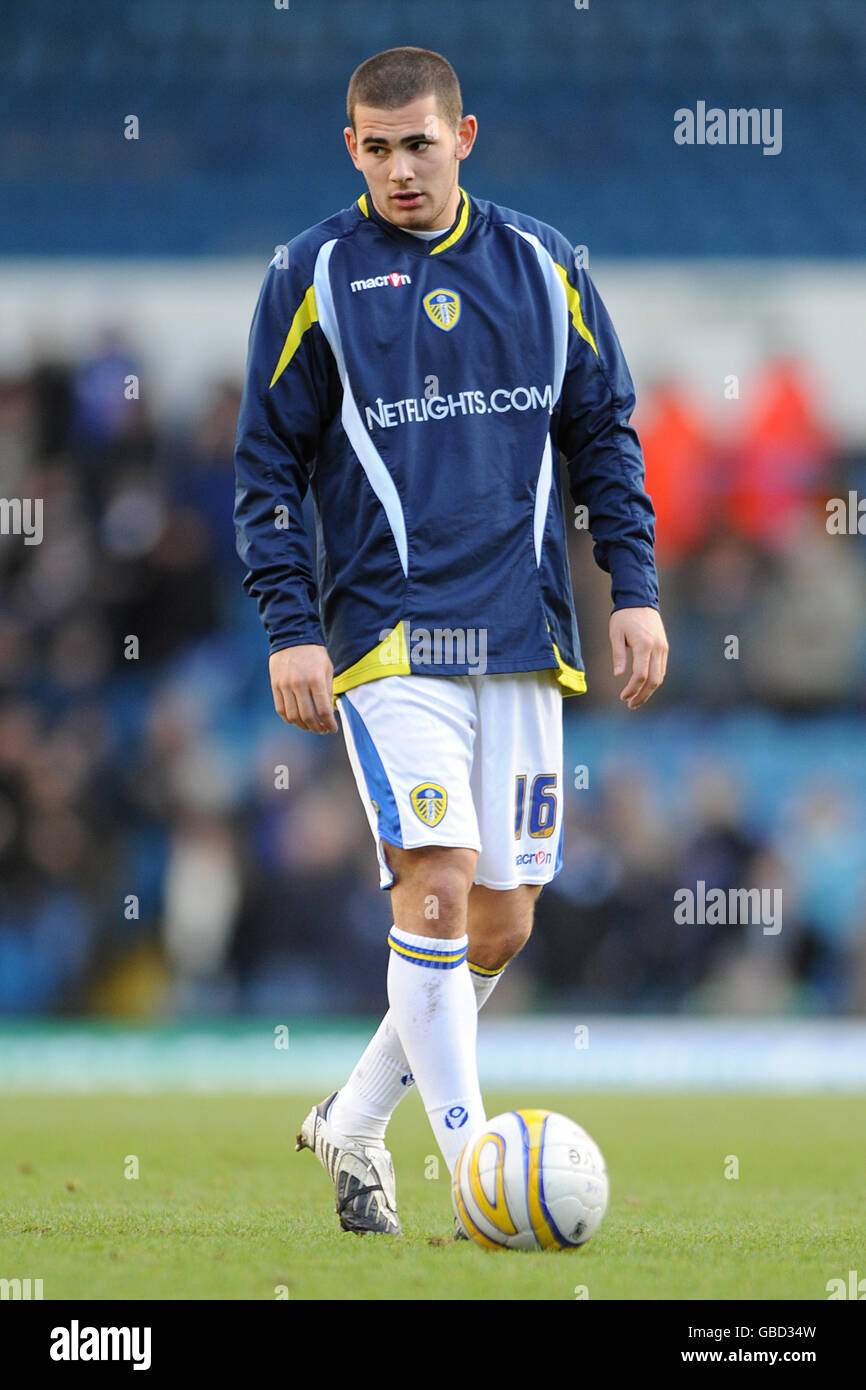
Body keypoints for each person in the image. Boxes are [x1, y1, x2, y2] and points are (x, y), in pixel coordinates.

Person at [234, 46, 668, 1236]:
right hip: (385, 635)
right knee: (431, 886)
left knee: (501, 919)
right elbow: (264, 465)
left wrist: (630, 585)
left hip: (522, 632)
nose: (398, 169)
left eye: (417, 143)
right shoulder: (310, 274)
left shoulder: (545, 264)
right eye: (374, 149)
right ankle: (478, 1173)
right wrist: (290, 625)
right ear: (349, 150)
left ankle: (354, 1117)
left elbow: (604, 433)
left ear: (462, 136)